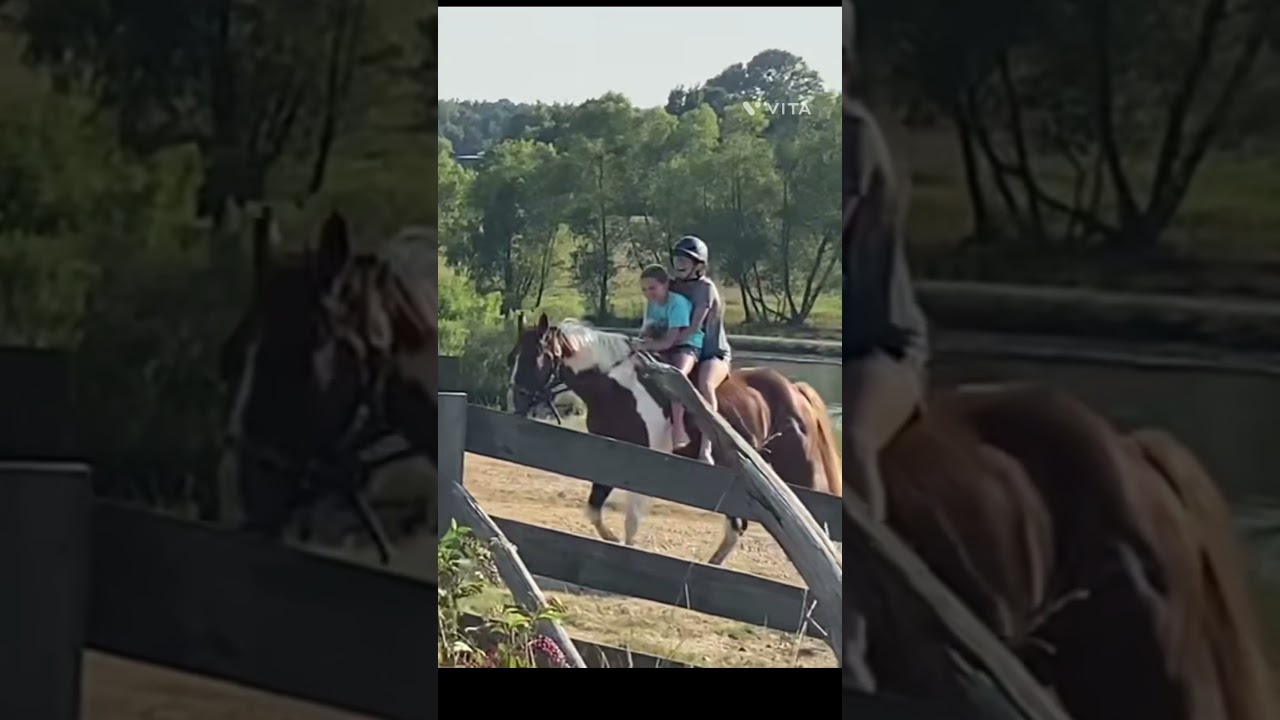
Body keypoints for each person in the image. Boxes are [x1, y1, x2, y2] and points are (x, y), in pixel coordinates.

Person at [843, 0, 930, 526]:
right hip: (848, 348)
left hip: (882, 347)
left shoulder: (852, 132)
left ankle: (865, 593)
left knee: (852, 440)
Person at [668, 235, 732, 465]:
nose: (679, 262)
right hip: (687, 348)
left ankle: (706, 447)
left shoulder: (706, 289)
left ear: (699, 265)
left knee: (705, 384)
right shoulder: (673, 285)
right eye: (677, 257)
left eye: (686, 259)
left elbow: (694, 327)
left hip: (712, 352)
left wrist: (666, 343)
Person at [635, 264, 702, 449]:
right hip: (662, 344)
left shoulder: (677, 303)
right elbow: (646, 330)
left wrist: (646, 345)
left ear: (665, 285)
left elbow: (670, 341)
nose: (648, 293)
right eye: (644, 289)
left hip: (686, 345)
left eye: (652, 288)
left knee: (675, 377)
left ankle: (678, 430)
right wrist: (638, 344)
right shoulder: (651, 304)